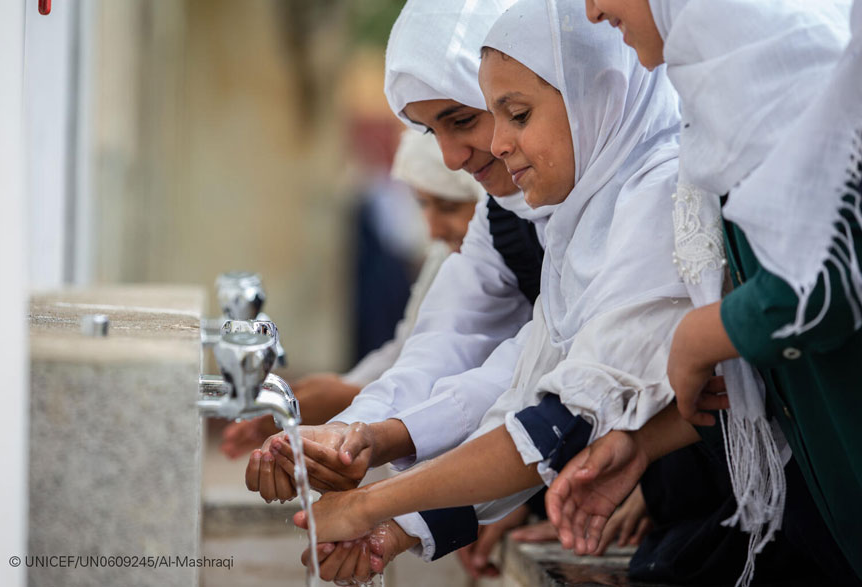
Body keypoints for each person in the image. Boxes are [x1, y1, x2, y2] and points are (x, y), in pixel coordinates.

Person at [290, 1, 692, 580]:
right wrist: (369, 450)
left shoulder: (655, 193)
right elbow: (505, 374)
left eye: (513, 114)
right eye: (432, 132)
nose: (479, 150)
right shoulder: (572, 219)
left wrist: (372, 503)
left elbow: (562, 420)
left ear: (594, 91)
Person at [549, 0, 862, 583]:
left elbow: (818, 289)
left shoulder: (767, 47)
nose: (591, 11)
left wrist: (700, 335)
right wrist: (646, 444)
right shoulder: (724, 76)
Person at [219, 129, 481, 458]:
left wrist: (350, 398)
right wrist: (345, 391)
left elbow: (487, 381)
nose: (433, 229)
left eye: (450, 207)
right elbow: (412, 345)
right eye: (424, 205)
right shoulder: (445, 257)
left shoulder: (506, 264)